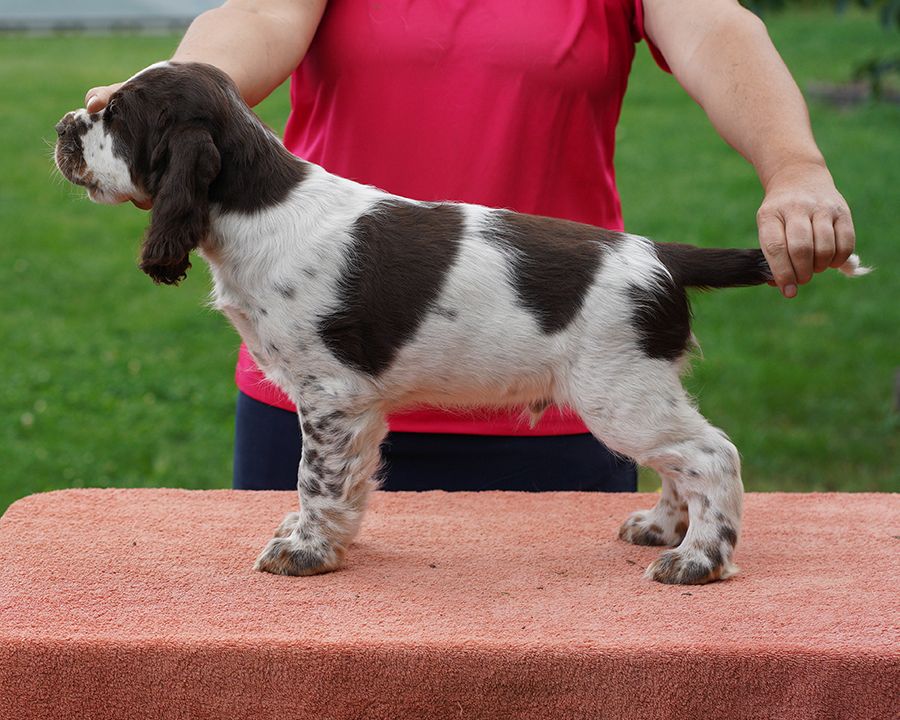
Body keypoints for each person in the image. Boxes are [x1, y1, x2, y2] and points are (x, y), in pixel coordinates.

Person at [85, 0, 856, 493]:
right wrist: (172, 102)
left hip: (552, 382)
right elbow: (256, 14)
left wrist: (794, 166)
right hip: (315, 375)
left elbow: (717, 27)